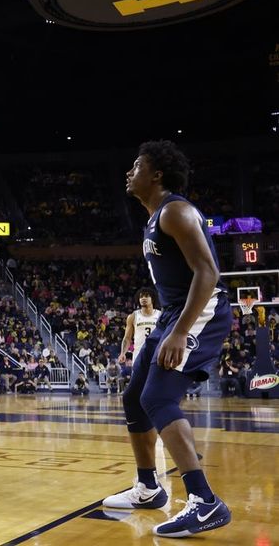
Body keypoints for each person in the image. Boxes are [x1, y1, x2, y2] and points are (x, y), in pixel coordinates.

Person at [104, 141, 233, 538]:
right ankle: (148, 488)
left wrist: (179, 331)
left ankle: (205, 501)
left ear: (156, 174)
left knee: (157, 398)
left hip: (202, 312)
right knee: (134, 398)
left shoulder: (175, 210)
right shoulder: (154, 217)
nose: (130, 172)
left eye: (137, 165)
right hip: (173, 314)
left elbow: (208, 273)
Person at [120, 288, 161, 366]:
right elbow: (127, 338)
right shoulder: (133, 316)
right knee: (138, 378)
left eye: (146, 296)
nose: (143, 298)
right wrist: (123, 353)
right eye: (141, 297)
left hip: (156, 353)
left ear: (152, 299)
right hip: (139, 354)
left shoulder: (160, 315)